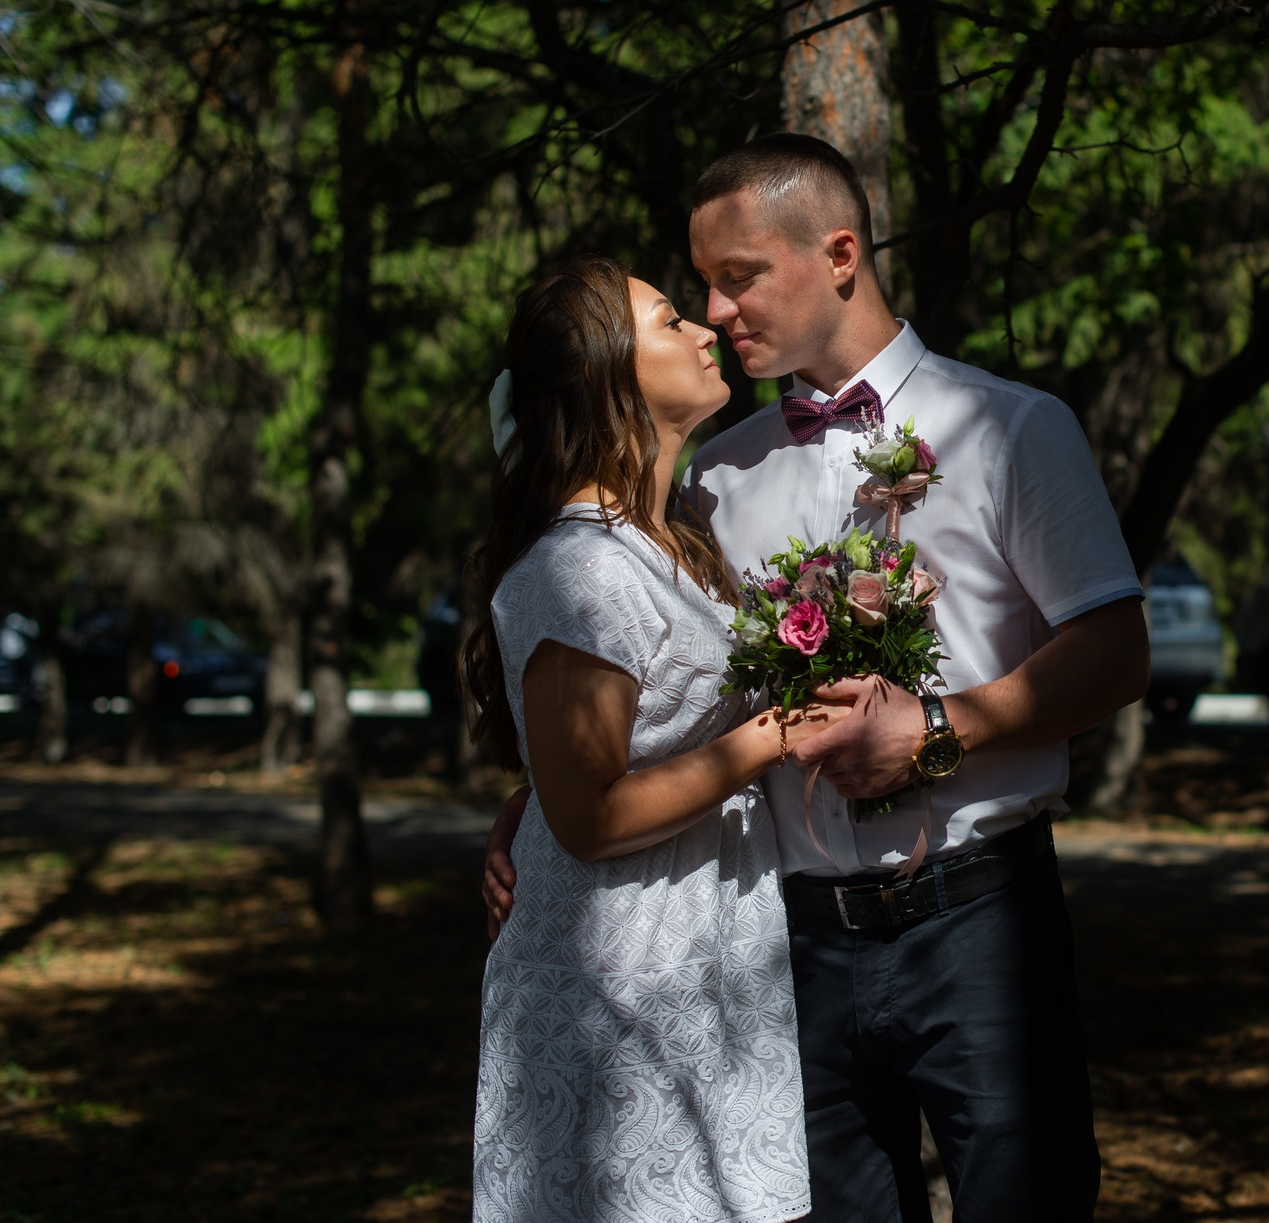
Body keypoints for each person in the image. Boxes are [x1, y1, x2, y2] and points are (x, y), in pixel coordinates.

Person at [486, 136, 1151, 1221]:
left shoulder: (1011, 428)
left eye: (736, 275)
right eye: (699, 283)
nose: (716, 306)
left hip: (975, 917)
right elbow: (653, 674)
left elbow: (1115, 650)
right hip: (787, 942)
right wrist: (541, 794)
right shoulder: (713, 472)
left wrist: (934, 729)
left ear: (839, 252)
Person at [463, 256, 848, 1223]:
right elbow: (590, 816)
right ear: (609, 377)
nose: (707, 330)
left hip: (699, 965)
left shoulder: (667, 539)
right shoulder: (579, 567)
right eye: (672, 321)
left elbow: (608, 755)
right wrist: (767, 738)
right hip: (618, 986)